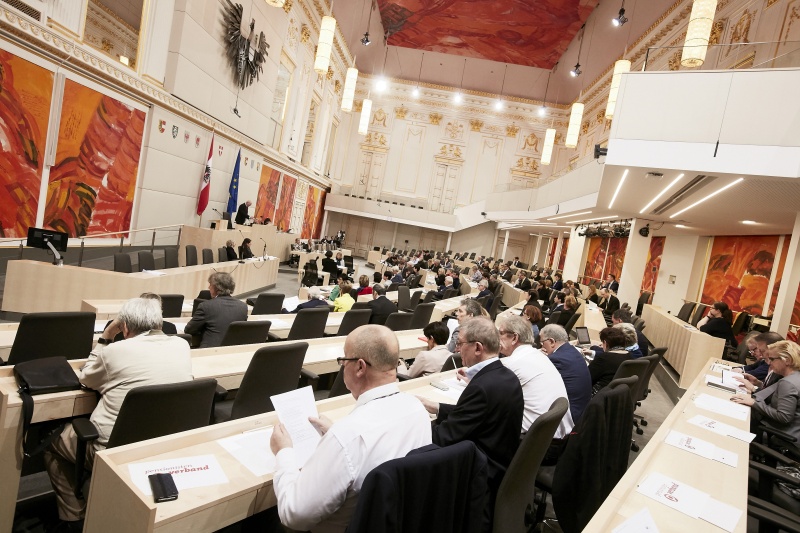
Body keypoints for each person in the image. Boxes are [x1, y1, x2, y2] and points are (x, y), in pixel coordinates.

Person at [45, 298, 192, 529]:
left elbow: (85, 378)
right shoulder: (182, 345)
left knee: (52, 443)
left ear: (124, 327)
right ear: (159, 323)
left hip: (111, 451)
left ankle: (73, 519)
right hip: (161, 446)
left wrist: (105, 336)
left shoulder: (115, 350)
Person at [270, 325, 432, 532]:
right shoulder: (416, 409)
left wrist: (283, 452)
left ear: (360, 367)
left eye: (344, 360)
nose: (342, 366)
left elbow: (294, 515)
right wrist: (337, 435)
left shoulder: (346, 437)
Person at [417, 317, 523, 500]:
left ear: (478, 348)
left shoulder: (481, 387)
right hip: (499, 464)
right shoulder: (507, 376)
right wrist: (435, 407)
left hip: (478, 476)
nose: (457, 349)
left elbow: (444, 437)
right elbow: (475, 414)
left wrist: (411, 423)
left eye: (460, 343)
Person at [496, 315, 574, 437]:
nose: (497, 338)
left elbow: (486, 389)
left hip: (529, 439)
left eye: (500, 333)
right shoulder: (538, 356)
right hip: (550, 439)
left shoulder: (514, 362)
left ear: (514, 338)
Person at [731, 340, 800, 453]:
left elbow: (784, 417)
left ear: (787, 360)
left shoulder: (788, 383)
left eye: (772, 359)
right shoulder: (794, 377)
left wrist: (754, 403)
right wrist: (757, 384)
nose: (769, 363)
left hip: (786, 438)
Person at [540, 324, 592, 424]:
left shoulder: (556, 359)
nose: (542, 346)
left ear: (551, 341)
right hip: (583, 411)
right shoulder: (572, 350)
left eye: (542, 342)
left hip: (570, 417)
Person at [184, 272, 248, 348]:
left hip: (209, 351)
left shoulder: (206, 306)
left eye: (210, 284)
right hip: (233, 351)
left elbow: (189, 330)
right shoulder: (243, 306)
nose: (208, 287)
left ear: (216, 288)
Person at [588, 327, 632, 395]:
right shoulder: (630, 356)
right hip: (618, 396)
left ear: (605, 343)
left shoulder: (604, 358)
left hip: (598, 396)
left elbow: (587, 377)